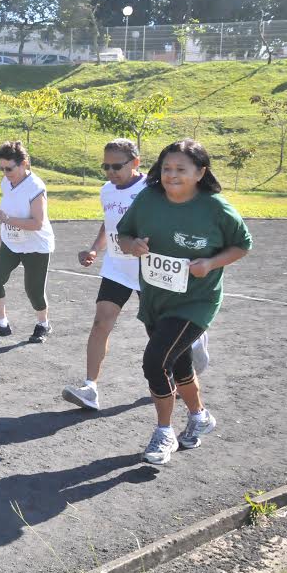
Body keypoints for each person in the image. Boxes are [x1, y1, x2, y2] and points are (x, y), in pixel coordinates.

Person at [117, 139, 251, 465]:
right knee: (178, 364)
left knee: (154, 361)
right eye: (166, 168)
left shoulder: (215, 207)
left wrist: (210, 264)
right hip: (156, 298)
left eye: (180, 169)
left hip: (196, 301)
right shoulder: (148, 199)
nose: (171, 175)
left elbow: (242, 244)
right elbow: (123, 236)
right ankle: (200, 416)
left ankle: (164, 433)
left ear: (200, 172)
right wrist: (132, 244)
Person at [63, 139, 212, 411]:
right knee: (100, 323)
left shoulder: (154, 190)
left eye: (117, 166)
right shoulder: (106, 191)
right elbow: (110, 223)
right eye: (105, 166)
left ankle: (191, 345)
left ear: (136, 162)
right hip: (117, 269)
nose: (110, 172)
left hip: (151, 272)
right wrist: (96, 249)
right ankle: (90, 388)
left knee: (158, 335)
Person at [0, 140, 55, 343]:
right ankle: (2, 323)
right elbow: (10, 206)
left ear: (24, 164)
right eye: (2, 168)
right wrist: (3, 229)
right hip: (12, 242)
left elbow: (37, 223)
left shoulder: (35, 187)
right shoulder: (6, 182)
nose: (6, 173)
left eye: (10, 168)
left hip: (35, 245)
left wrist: (7, 221)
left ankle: (43, 324)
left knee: (34, 290)